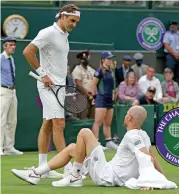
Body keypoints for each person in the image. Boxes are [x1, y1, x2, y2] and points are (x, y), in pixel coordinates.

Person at [11, 106, 164, 190]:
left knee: (85, 132)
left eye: (126, 115)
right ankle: (36, 174)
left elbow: (145, 158)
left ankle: (76, 176)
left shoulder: (133, 136)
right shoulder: (143, 135)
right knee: (72, 147)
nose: (125, 117)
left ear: (129, 117)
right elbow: (153, 158)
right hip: (109, 171)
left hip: (107, 176)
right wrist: (162, 179)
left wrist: (149, 182)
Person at [22, 4, 80, 178]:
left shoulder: (65, 36)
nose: (74, 24)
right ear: (62, 16)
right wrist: (43, 75)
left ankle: (42, 168)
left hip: (59, 86)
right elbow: (27, 51)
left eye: (77, 21)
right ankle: (69, 169)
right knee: (59, 124)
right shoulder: (48, 32)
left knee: (48, 125)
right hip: (48, 86)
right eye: (72, 20)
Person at [0, 37, 23, 156]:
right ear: (5, 46)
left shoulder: (12, 59)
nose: (13, 47)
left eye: (14, 45)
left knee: (12, 120)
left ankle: (9, 147)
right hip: (3, 91)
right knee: (1, 120)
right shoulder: (0, 58)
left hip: (13, 92)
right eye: (10, 45)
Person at [92, 51, 118, 150]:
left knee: (107, 123)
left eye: (111, 58)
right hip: (101, 99)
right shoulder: (99, 71)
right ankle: (95, 143)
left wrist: (114, 93)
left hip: (109, 100)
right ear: (103, 60)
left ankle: (109, 142)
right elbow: (93, 84)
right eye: (108, 58)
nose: (111, 60)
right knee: (98, 122)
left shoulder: (111, 71)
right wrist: (94, 98)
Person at [72, 50, 95, 119]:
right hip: (82, 96)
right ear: (80, 60)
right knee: (83, 118)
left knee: (92, 117)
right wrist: (88, 95)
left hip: (92, 95)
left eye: (85, 59)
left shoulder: (91, 70)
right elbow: (78, 84)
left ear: (88, 58)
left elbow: (95, 81)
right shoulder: (77, 69)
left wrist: (94, 95)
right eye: (82, 59)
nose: (84, 60)